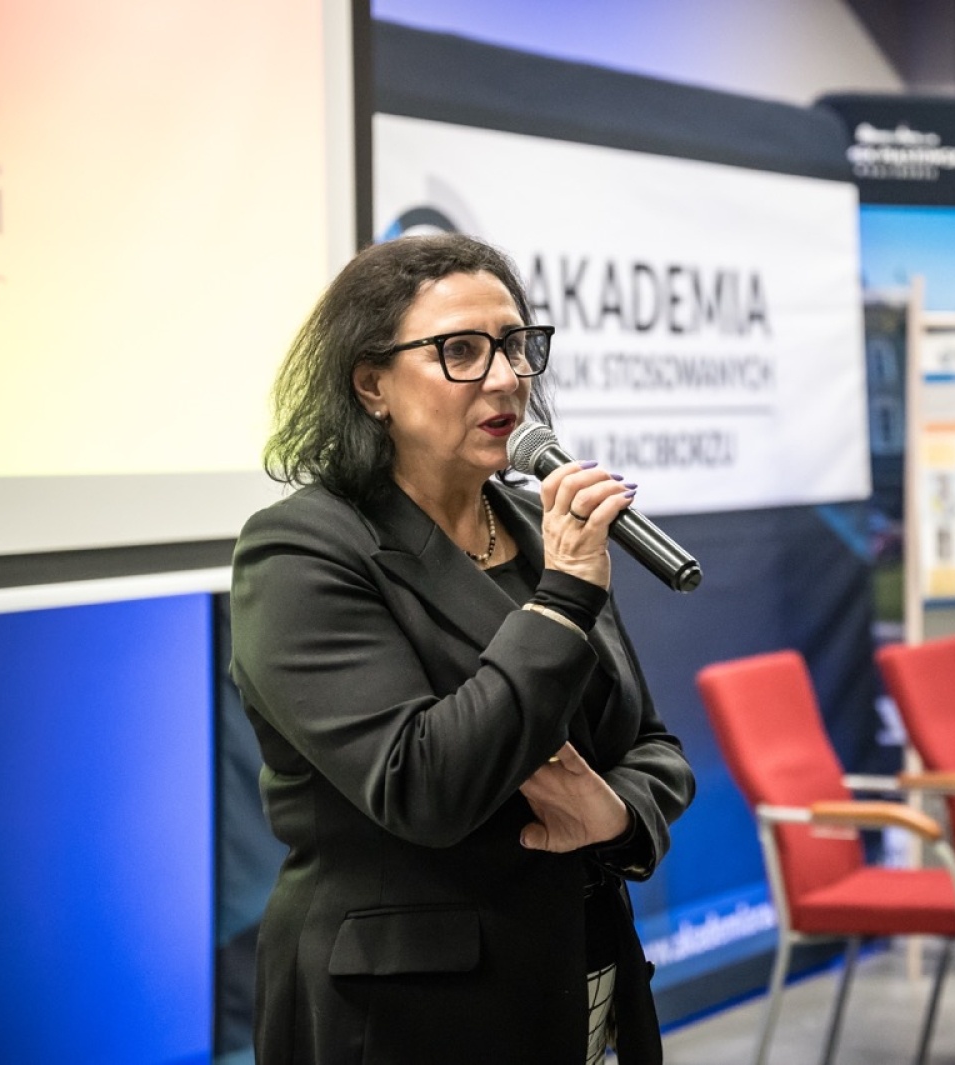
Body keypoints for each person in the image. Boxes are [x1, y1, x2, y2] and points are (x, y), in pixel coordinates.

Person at [229, 232, 696, 1065]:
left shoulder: (535, 528)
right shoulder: (302, 550)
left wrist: (617, 814)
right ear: (371, 383)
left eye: (516, 345)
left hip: (585, 983)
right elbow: (421, 784)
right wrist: (563, 599)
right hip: (408, 1015)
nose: (507, 375)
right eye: (462, 351)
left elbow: (653, 745)